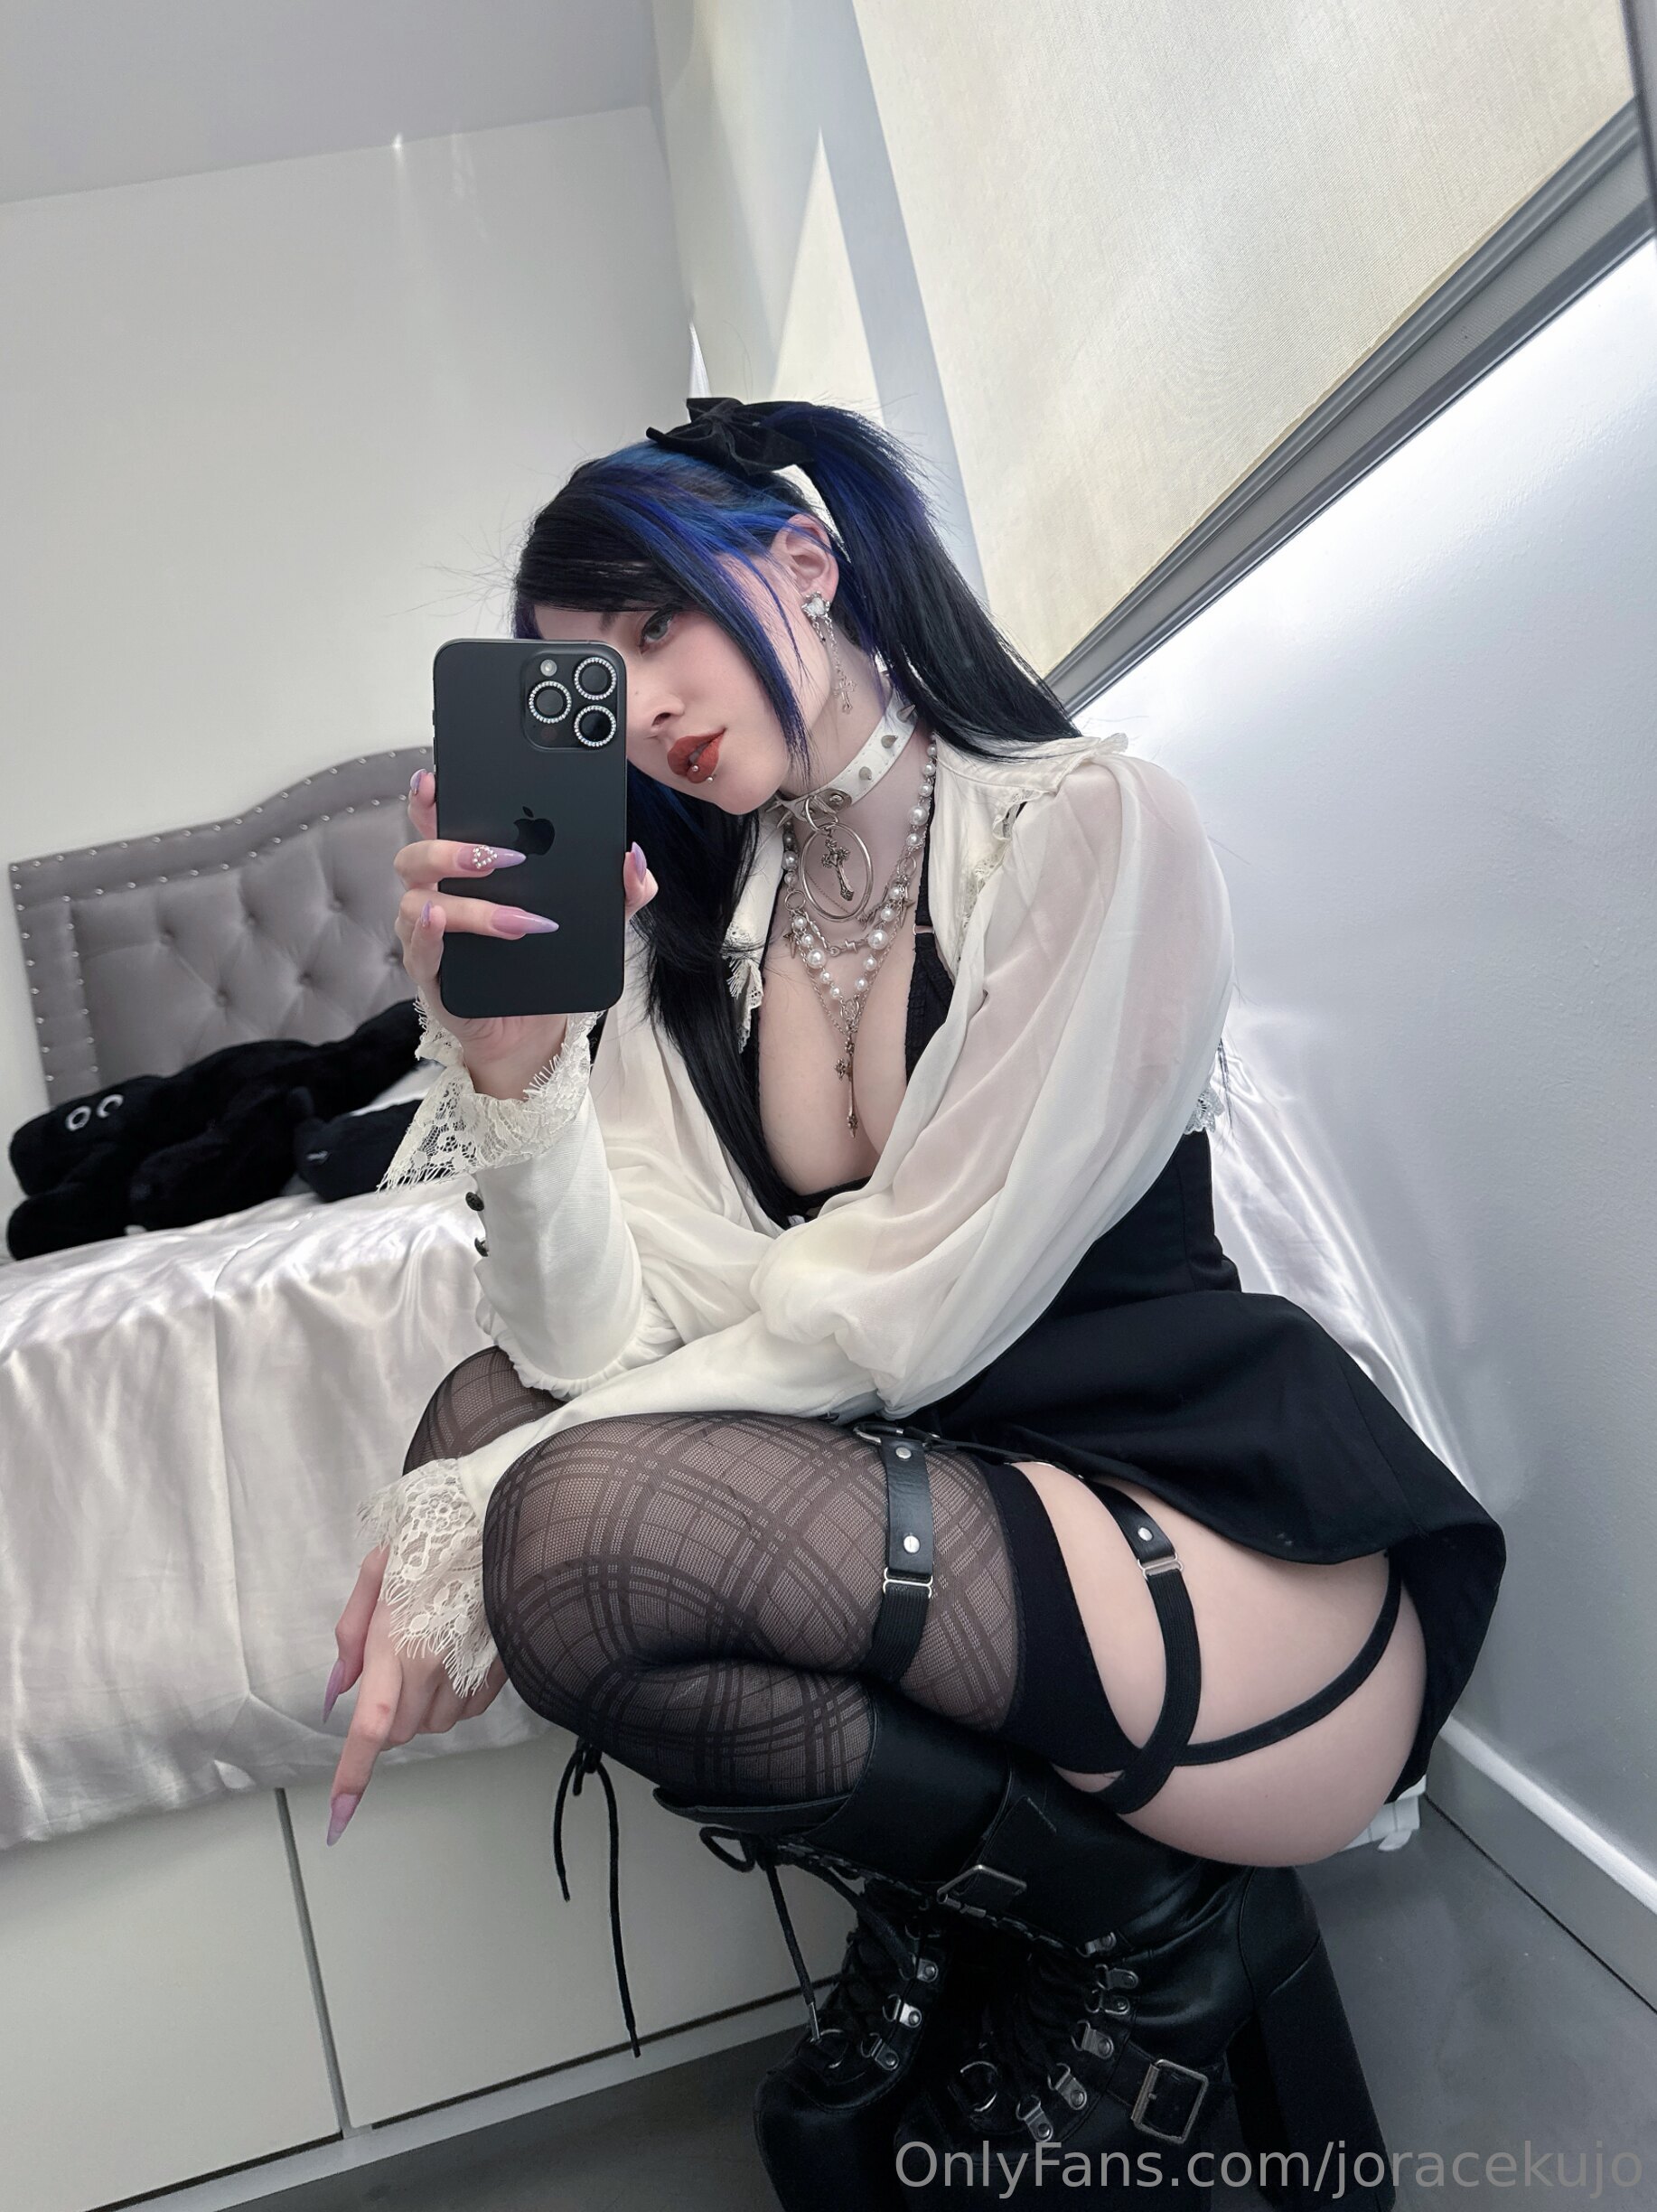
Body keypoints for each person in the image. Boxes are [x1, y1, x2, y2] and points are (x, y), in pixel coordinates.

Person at [323, 398, 1505, 2209]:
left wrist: (479, 1500)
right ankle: (1001, 1913)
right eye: (589, 686)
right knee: (492, 1410)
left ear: (804, 564)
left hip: (1213, 1553)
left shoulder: (1087, 829)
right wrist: (517, 1070)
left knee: (542, 1507)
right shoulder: (709, 938)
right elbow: (588, 1344)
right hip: (990, 1529)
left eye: (657, 626)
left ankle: (1149, 1949)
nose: (642, 709)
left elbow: (904, 1322)